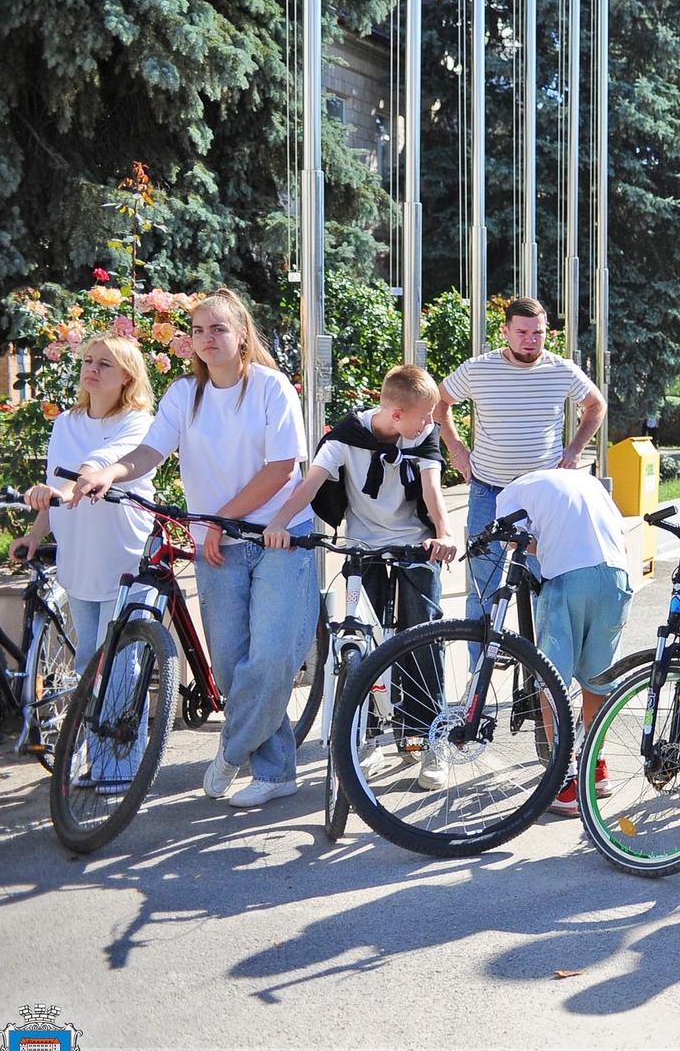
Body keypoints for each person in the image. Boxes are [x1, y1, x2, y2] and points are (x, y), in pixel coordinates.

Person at [74, 289, 316, 808]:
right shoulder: (184, 395)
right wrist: (110, 471)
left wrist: (222, 520)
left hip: (278, 534)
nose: (207, 339)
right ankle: (277, 772)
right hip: (217, 544)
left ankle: (233, 751)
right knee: (230, 667)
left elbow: (282, 469)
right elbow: (149, 451)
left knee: (272, 659)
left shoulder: (273, 389)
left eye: (218, 330)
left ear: (242, 334)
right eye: (199, 330)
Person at [262, 364, 459, 788]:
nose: (432, 422)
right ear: (395, 415)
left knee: (423, 636)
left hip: (415, 543)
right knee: (360, 642)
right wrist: (278, 522)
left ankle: (426, 738)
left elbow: (432, 489)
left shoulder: (422, 432)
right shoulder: (346, 436)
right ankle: (364, 737)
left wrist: (443, 534)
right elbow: (311, 484)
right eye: (425, 416)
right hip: (362, 546)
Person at [16, 337, 156, 793]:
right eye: (88, 361)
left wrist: (62, 489)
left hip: (123, 555)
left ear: (127, 377)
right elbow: (57, 482)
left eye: (105, 364)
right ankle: (97, 760)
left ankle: (119, 765)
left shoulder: (139, 421)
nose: (91, 370)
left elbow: (102, 464)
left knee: (118, 662)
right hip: (79, 554)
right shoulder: (66, 423)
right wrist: (36, 535)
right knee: (87, 664)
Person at [435, 298, 604, 637]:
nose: (530, 339)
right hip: (489, 490)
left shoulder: (561, 370)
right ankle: (477, 671)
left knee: (547, 582)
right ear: (506, 332)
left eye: (538, 333)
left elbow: (596, 405)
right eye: (523, 332)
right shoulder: (478, 369)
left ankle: (543, 673)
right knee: (484, 585)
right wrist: (456, 448)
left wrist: (575, 449)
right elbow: (439, 403)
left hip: (543, 496)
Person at [493, 466, 634, 816]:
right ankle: (597, 767)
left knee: (552, 677)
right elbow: (621, 532)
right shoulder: (589, 483)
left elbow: (519, 544)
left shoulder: (508, 494)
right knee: (598, 677)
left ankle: (565, 780)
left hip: (569, 580)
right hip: (617, 576)